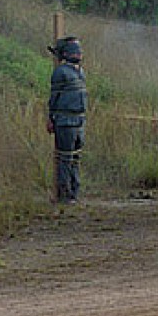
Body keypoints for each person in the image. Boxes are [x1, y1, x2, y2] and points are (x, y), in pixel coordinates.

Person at [47, 36, 88, 204]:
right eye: (75, 51)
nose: (79, 54)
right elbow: (54, 97)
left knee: (75, 158)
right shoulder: (61, 72)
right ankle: (64, 194)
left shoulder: (80, 71)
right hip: (65, 120)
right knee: (65, 158)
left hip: (79, 121)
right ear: (66, 53)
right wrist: (51, 118)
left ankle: (74, 192)